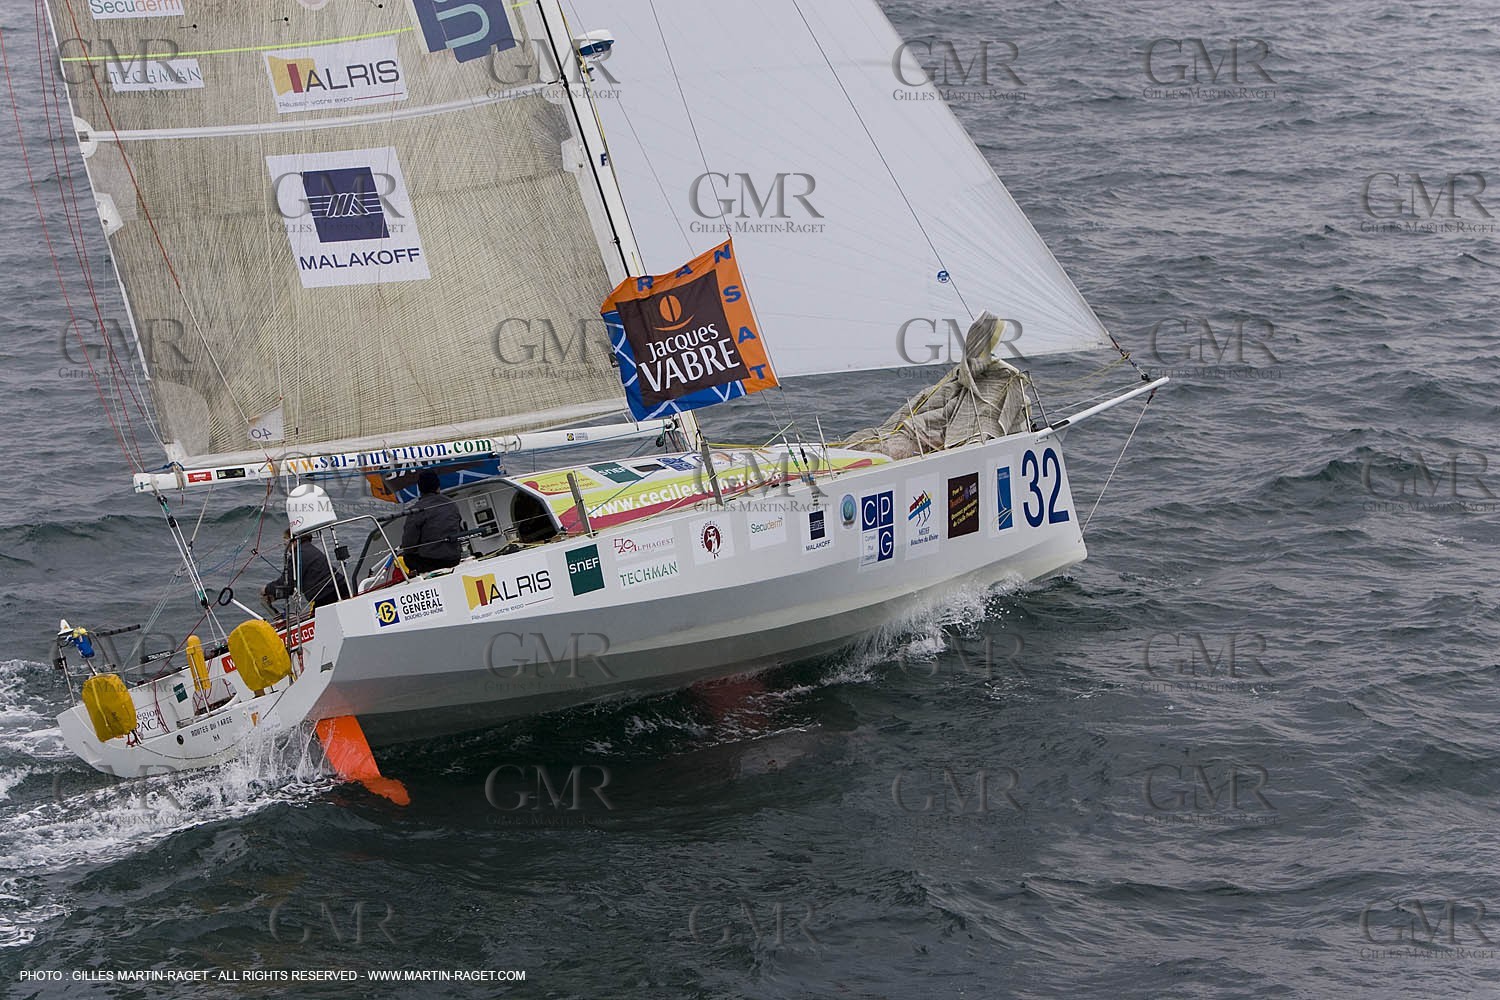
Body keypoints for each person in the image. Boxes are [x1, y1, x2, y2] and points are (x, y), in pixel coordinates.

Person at [401, 470, 463, 574]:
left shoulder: (416, 510)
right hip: (453, 558)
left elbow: (408, 545)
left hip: (430, 562)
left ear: (420, 489)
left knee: (407, 557)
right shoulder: (452, 504)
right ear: (438, 486)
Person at [263, 530, 342, 608]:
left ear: (295, 540)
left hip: (326, 596)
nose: (284, 543)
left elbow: (287, 584)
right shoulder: (310, 549)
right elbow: (294, 585)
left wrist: (267, 589)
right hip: (340, 587)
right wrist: (276, 595)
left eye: (285, 539)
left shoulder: (297, 555)